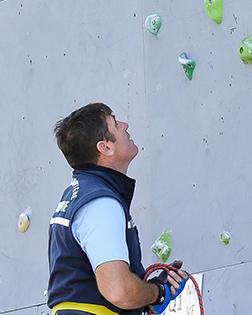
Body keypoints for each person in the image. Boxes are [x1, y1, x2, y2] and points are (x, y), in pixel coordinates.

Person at [47, 103, 189, 315]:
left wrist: (145, 291)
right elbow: (118, 290)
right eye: (115, 123)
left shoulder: (79, 196)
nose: (125, 124)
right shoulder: (100, 203)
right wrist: (157, 293)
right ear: (105, 147)